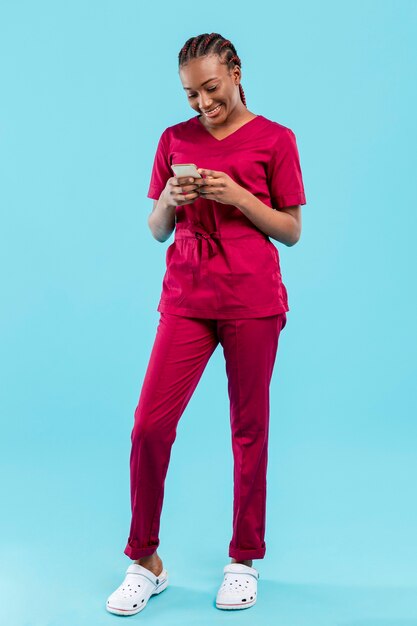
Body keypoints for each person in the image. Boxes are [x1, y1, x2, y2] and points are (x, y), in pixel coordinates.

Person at [106, 32, 306, 616]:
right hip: (187, 300)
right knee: (148, 426)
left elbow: (291, 230)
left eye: (211, 88)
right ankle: (145, 561)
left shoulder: (276, 139)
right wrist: (170, 196)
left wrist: (240, 196)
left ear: (236, 72)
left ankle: (243, 560)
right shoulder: (174, 140)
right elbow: (156, 229)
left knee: (249, 431)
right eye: (192, 94)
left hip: (253, 301)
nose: (202, 103)